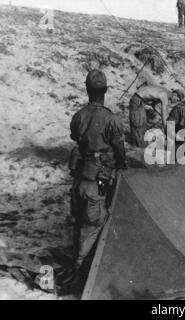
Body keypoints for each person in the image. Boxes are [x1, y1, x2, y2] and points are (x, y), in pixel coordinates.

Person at [68, 69, 126, 291]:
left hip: (80, 178)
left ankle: (77, 260)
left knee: (79, 220)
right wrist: (119, 163)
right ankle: (81, 275)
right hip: (97, 183)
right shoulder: (111, 119)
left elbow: (76, 137)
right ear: (105, 91)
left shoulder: (79, 116)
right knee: (93, 225)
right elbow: (120, 150)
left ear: (87, 89)